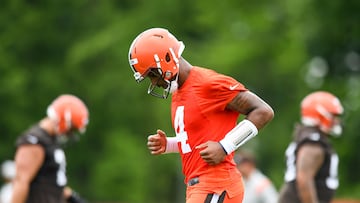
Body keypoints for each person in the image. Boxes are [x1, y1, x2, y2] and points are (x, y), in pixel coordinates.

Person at [128, 27, 274, 203]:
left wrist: (225, 146)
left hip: (216, 185)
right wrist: (170, 144)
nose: (153, 82)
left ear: (168, 58)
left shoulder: (207, 84)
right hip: (200, 186)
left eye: (152, 74)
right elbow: (195, 141)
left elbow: (263, 111)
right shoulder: (179, 93)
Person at [11, 94, 89, 203]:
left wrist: (72, 197)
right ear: (64, 120)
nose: (70, 134)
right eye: (72, 129)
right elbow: (21, 181)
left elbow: (50, 181)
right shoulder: (35, 141)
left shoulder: (50, 141)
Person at [278, 91, 344, 203]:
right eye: (334, 116)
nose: (336, 121)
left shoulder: (308, 137)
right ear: (321, 114)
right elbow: (304, 180)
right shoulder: (313, 143)